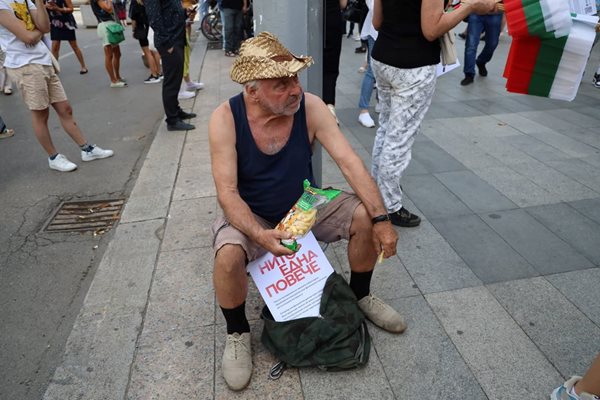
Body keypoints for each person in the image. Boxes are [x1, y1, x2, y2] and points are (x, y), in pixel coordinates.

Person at [209, 31, 404, 392]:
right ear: (252, 91)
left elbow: (349, 163)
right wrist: (259, 235)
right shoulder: (225, 119)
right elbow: (228, 193)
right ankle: (236, 331)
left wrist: (382, 219)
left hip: (304, 205)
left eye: (295, 79)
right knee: (228, 255)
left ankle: (360, 294)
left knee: (361, 215)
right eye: (280, 84)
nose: (294, 90)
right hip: (253, 212)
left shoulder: (310, 107)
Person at [370, 0, 497, 227]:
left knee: (386, 128)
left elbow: (377, 22)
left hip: (383, 57)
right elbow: (431, 31)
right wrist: (469, 7)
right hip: (413, 66)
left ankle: (377, 189)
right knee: (398, 139)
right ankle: (389, 206)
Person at [0, 0, 114, 171]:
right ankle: (53, 157)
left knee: (65, 108)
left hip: (43, 60)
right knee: (40, 113)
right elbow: (27, 37)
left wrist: (38, 4)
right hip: (24, 65)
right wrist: (38, 31)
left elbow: (45, 27)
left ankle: (87, 149)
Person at [145, 0, 197, 131]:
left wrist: (185, 13)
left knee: (176, 78)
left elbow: (171, 12)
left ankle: (176, 111)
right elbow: (154, 19)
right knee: (171, 81)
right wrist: (167, 43)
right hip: (169, 42)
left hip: (176, 38)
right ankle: (172, 120)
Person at [459, 12, 503, 86]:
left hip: (495, 12)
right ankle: (469, 73)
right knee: (471, 44)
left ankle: (481, 61)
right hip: (476, 11)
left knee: (492, 44)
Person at [91, 0, 126, 87]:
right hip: (105, 26)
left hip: (110, 24)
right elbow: (109, 9)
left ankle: (117, 77)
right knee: (109, 54)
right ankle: (113, 80)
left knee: (117, 54)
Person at [323, 0, 347, 123]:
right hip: (332, 18)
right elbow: (343, 4)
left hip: (309, 19)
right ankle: (329, 106)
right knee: (331, 68)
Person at [129, 0, 161, 83]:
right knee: (154, 50)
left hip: (142, 28)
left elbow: (133, 18)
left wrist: (133, 30)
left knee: (147, 52)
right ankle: (159, 73)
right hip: (151, 27)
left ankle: (154, 75)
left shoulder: (135, 2)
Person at [178, 0, 204, 100]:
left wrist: (190, 15)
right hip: (175, 35)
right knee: (180, 61)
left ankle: (188, 83)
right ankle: (180, 90)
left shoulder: (183, 5)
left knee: (186, 58)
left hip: (182, 33)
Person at [357, 0, 377, 128]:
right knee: (372, 70)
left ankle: (382, 102)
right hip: (376, 31)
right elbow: (373, 7)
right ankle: (363, 110)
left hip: (394, 31)